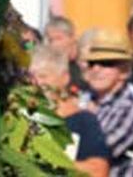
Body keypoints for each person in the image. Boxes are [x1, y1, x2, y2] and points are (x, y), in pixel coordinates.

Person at [82, 28, 133, 176]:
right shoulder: (84, 99)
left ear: (125, 71)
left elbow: (101, 150)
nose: (96, 68)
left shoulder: (132, 107)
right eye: (92, 62)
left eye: (106, 63)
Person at [30, 43, 112, 175]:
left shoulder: (83, 121)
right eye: (31, 77)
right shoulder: (25, 115)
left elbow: (99, 170)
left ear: (64, 78)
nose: (37, 83)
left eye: (43, 76)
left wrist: (53, 160)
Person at [46, 15, 90, 93]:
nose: (54, 44)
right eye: (50, 40)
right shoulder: (56, 62)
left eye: (58, 38)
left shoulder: (87, 59)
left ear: (72, 37)